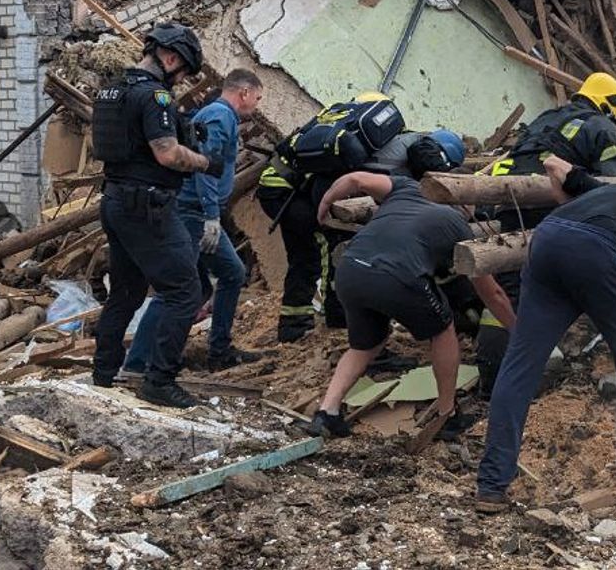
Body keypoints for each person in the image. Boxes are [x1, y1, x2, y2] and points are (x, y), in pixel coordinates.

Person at [474, 155, 616, 513]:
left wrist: (548, 161)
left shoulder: (611, 193)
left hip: (546, 241)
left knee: (521, 364)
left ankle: (491, 486)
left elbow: (556, 167)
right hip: (595, 250)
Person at [303, 170, 514, 439]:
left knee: (365, 345)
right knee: (443, 331)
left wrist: (325, 203)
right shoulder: (458, 226)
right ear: (463, 201)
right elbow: (492, 294)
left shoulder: (405, 187)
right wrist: (516, 331)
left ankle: (327, 412)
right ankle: (447, 415)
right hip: (398, 275)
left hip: (350, 269)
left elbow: (355, 179)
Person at [257, 94, 466, 343]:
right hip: (297, 193)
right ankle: (336, 321)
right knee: (326, 251)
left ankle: (294, 327)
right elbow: (430, 169)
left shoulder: (349, 129)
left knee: (304, 258)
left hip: (281, 188)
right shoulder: (420, 143)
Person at [89, 24, 223, 409]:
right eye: (182, 72)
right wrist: (205, 162)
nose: (180, 80)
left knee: (126, 292)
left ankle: (103, 373)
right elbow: (167, 154)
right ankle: (159, 381)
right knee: (186, 291)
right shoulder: (155, 96)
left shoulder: (112, 90)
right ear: (170, 57)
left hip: (116, 201)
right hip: (147, 206)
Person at [476, 73, 616, 394]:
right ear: (609, 103)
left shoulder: (546, 118)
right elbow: (611, 183)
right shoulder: (600, 125)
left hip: (512, 202)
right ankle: (538, 367)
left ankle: (492, 374)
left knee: (512, 284)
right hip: (552, 206)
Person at [120, 69, 265, 380]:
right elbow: (204, 168)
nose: (257, 104)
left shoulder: (218, 115)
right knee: (182, 287)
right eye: (257, 97)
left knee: (206, 283)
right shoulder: (220, 117)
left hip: (193, 210)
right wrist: (211, 215)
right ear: (243, 93)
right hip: (193, 212)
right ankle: (141, 363)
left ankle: (204, 352)